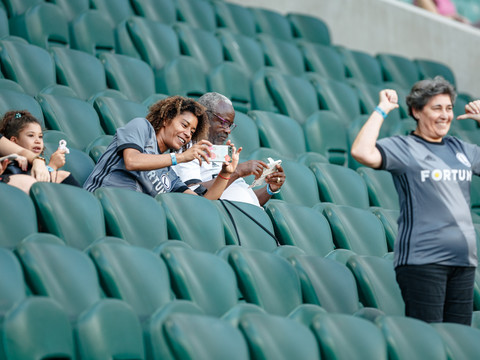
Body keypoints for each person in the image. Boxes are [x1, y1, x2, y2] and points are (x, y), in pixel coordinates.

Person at [351, 76, 479, 325]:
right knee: (429, 341)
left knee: (458, 340)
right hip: (423, 260)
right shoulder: (404, 146)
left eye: (449, 108)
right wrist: (382, 110)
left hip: (463, 261)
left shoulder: (461, 149)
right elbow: (361, 152)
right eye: (437, 108)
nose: (445, 116)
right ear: (416, 111)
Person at [84, 96, 240, 199]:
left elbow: (200, 203)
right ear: (166, 119)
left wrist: (225, 174)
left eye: (192, 132)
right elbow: (131, 160)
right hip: (101, 203)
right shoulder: (141, 127)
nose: (187, 134)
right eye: (184, 125)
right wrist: (180, 157)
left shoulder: (169, 174)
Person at [173, 92, 285, 207]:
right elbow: (193, 193)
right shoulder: (187, 149)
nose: (228, 130)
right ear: (205, 117)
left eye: (230, 125)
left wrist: (270, 189)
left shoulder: (222, 152)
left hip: (250, 217)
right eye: (224, 123)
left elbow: (247, 199)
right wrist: (237, 171)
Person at [0, 110, 80, 186]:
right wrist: (52, 167)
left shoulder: (37, 163)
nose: (38, 141)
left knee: (63, 175)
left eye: (40, 136)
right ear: (14, 141)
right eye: (31, 135)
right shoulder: (8, 163)